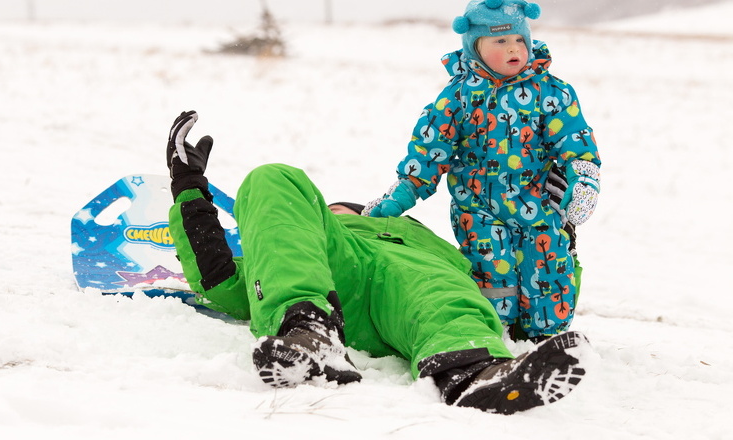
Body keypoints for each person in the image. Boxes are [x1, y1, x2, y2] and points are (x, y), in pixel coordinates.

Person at [166, 110, 588, 414]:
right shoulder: (312, 240)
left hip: (417, 292)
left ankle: (475, 374)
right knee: (269, 176)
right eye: (331, 210)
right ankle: (311, 333)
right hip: (336, 280)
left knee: (439, 291)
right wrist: (188, 187)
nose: (344, 210)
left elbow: (535, 296)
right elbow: (221, 280)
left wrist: (556, 227)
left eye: (348, 208)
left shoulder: (429, 245)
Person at [363, 0, 601, 340]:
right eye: (500, 40)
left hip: (536, 199)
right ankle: (494, 330)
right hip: (478, 207)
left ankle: (547, 336)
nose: (513, 48)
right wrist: (401, 195)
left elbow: (574, 139)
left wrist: (585, 179)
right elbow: (431, 151)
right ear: (475, 46)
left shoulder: (551, 92)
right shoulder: (457, 97)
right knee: (491, 269)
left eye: (519, 39)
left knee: (548, 265)